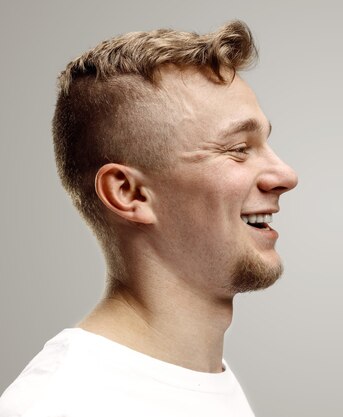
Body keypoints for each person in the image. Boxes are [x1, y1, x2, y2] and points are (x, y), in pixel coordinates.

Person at [0, 20, 297, 417]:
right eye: (239, 148)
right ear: (129, 193)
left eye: (265, 143)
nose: (286, 176)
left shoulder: (196, 378)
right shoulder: (60, 403)